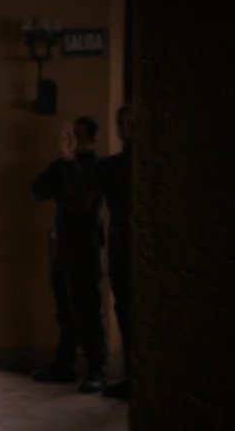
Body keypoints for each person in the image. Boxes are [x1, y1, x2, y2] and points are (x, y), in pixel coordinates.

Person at [31, 116, 108, 394]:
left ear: (92, 140)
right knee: (65, 310)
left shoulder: (97, 168)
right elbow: (38, 190)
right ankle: (64, 365)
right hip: (60, 247)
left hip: (85, 249)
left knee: (88, 308)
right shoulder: (63, 165)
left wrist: (69, 162)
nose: (73, 140)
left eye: (79, 135)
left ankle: (98, 368)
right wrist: (63, 161)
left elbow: (81, 200)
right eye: (70, 135)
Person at [98, 106, 133, 400]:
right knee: (125, 309)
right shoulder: (110, 167)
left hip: (136, 245)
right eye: (120, 120)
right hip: (122, 245)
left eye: (129, 120)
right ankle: (133, 375)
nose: (124, 125)